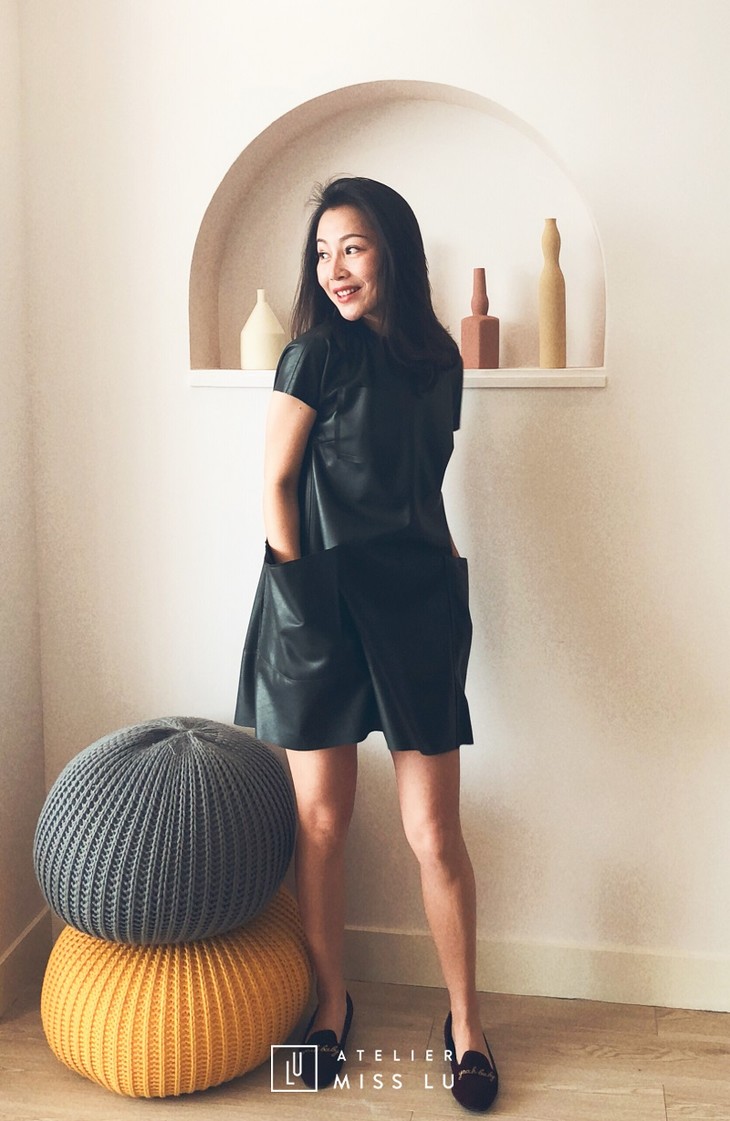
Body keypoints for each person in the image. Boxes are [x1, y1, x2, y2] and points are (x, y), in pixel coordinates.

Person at [235, 176, 498, 1112]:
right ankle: (330, 1006)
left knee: (435, 834)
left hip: (417, 607)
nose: (333, 268)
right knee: (323, 822)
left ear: (393, 250)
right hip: (318, 607)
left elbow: (421, 484)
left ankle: (466, 1025)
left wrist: (448, 577)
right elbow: (275, 485)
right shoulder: (312, 355)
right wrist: (301, 594)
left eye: (351, 246)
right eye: (322, 252)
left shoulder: (440, 362)